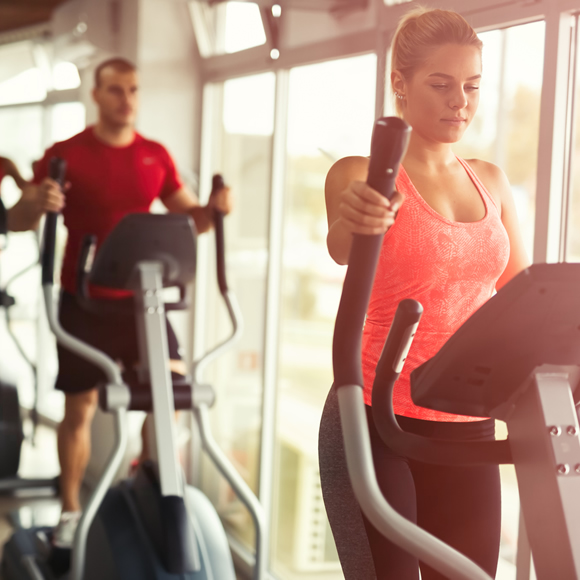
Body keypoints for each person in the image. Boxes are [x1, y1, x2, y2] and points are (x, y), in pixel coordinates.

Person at [318, 7, 530, 580]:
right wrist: (360, 218)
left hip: (467, 423)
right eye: (440, 84)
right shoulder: (363, 173)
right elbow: (342, 241)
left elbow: (525, 304)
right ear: (400, 85)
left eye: (472, 86)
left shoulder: (492, 179)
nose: (459, 100)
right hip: (373, 416)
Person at [15, 57, 232, 549]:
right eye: (115, 90)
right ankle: (70, 511)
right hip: (84, 299)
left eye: (133, 89)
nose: (126, 99)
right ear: (96, 95)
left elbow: (190, 220)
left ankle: (149, 483)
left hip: (143, 303)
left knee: (168, 396)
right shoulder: (65, 153)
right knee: (81, 407)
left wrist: (215, 211)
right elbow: (20, 217)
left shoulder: (155, 155)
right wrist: (37, 201)